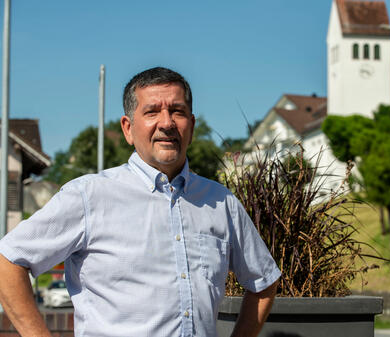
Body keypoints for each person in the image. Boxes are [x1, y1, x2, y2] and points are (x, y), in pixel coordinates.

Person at [0, 67, 281, 337]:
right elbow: (8, 262)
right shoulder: (89, 196)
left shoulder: (221, 202)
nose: (167, 123)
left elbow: (263, 281)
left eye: (178, 111)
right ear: (128, 128)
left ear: (191, 126)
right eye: (152, 111)